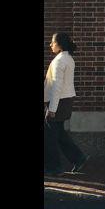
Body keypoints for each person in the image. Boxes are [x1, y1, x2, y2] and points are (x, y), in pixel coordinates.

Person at [44, 32, 90, 176]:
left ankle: (54, 168)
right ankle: (78, 158)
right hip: (65, 101)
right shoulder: (68, 58)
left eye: (53, 42)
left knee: (49, 136)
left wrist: (52, 109)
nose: (51, 45)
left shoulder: (59, 60)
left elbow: (57, 86)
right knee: (58, 133)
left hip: (58, 102)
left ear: (59, 44)